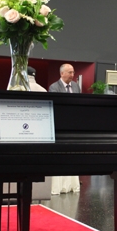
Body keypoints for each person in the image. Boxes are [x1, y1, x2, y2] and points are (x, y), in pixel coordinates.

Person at [48, 63, 81, 194]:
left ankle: (72, 184)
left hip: (74, 125)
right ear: (62, 73)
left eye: (73, 72)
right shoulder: (54, 87)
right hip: (60, 126)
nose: (72, 75)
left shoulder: (76, 86)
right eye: (69, 72)